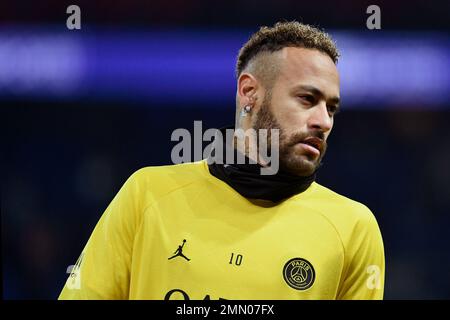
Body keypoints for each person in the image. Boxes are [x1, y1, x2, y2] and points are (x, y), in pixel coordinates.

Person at [59, 21, 385, 300]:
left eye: (331, 108)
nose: (323, 121)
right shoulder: (147, 195)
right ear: (249, 93)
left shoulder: (353, 228)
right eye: (307, 99)